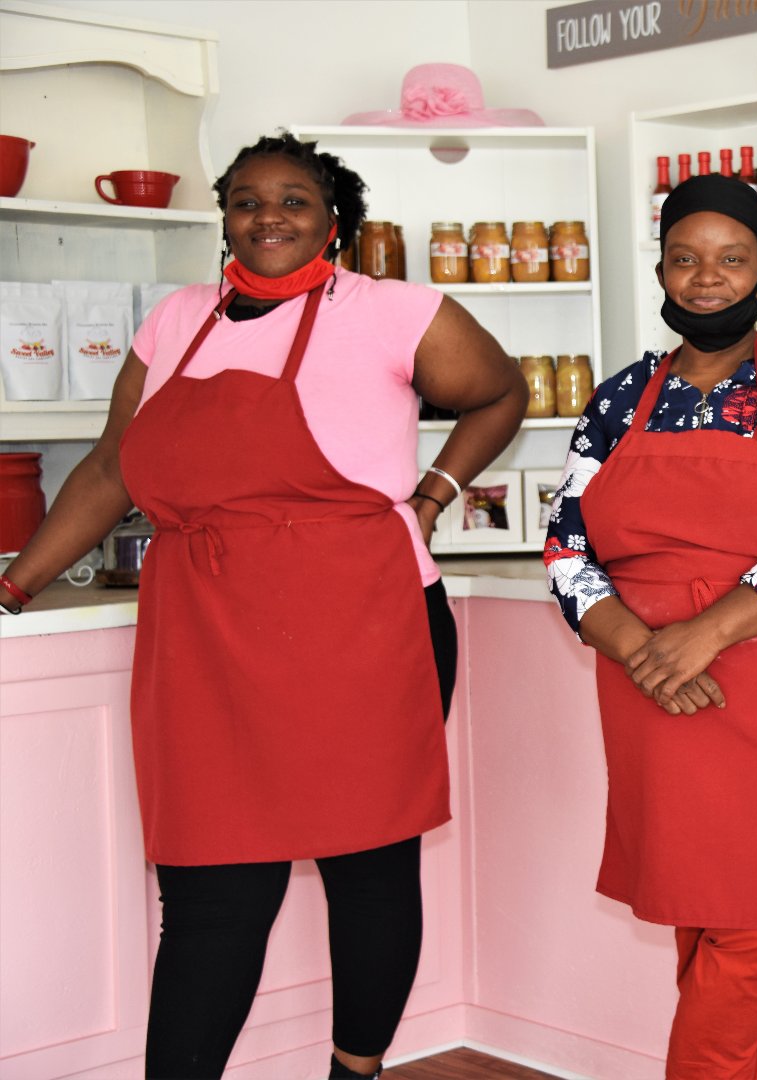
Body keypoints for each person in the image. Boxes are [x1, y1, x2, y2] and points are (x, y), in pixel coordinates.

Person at [0, 133, 527, 1079]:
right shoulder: (174, 322)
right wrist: (13, 582)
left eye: (294, 199)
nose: (269, 216)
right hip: (203, 631)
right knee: (210, 885)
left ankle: (352, 1074)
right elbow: (115, 465)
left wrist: (435, 494)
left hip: (366, 626)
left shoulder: (395, 313)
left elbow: (499, 393)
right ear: (225, 216)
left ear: (335, 218)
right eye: (248, 199)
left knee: (368, 868)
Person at [544, 173, 757, 1078]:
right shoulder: (618, 399)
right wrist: (642, 651)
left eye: (731, 260)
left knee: (755, 938)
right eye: (686, 259)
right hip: (653, 694)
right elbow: (566, 546)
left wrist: (702, 634)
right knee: (706, 932)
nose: (707, 278)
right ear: (660, 269)